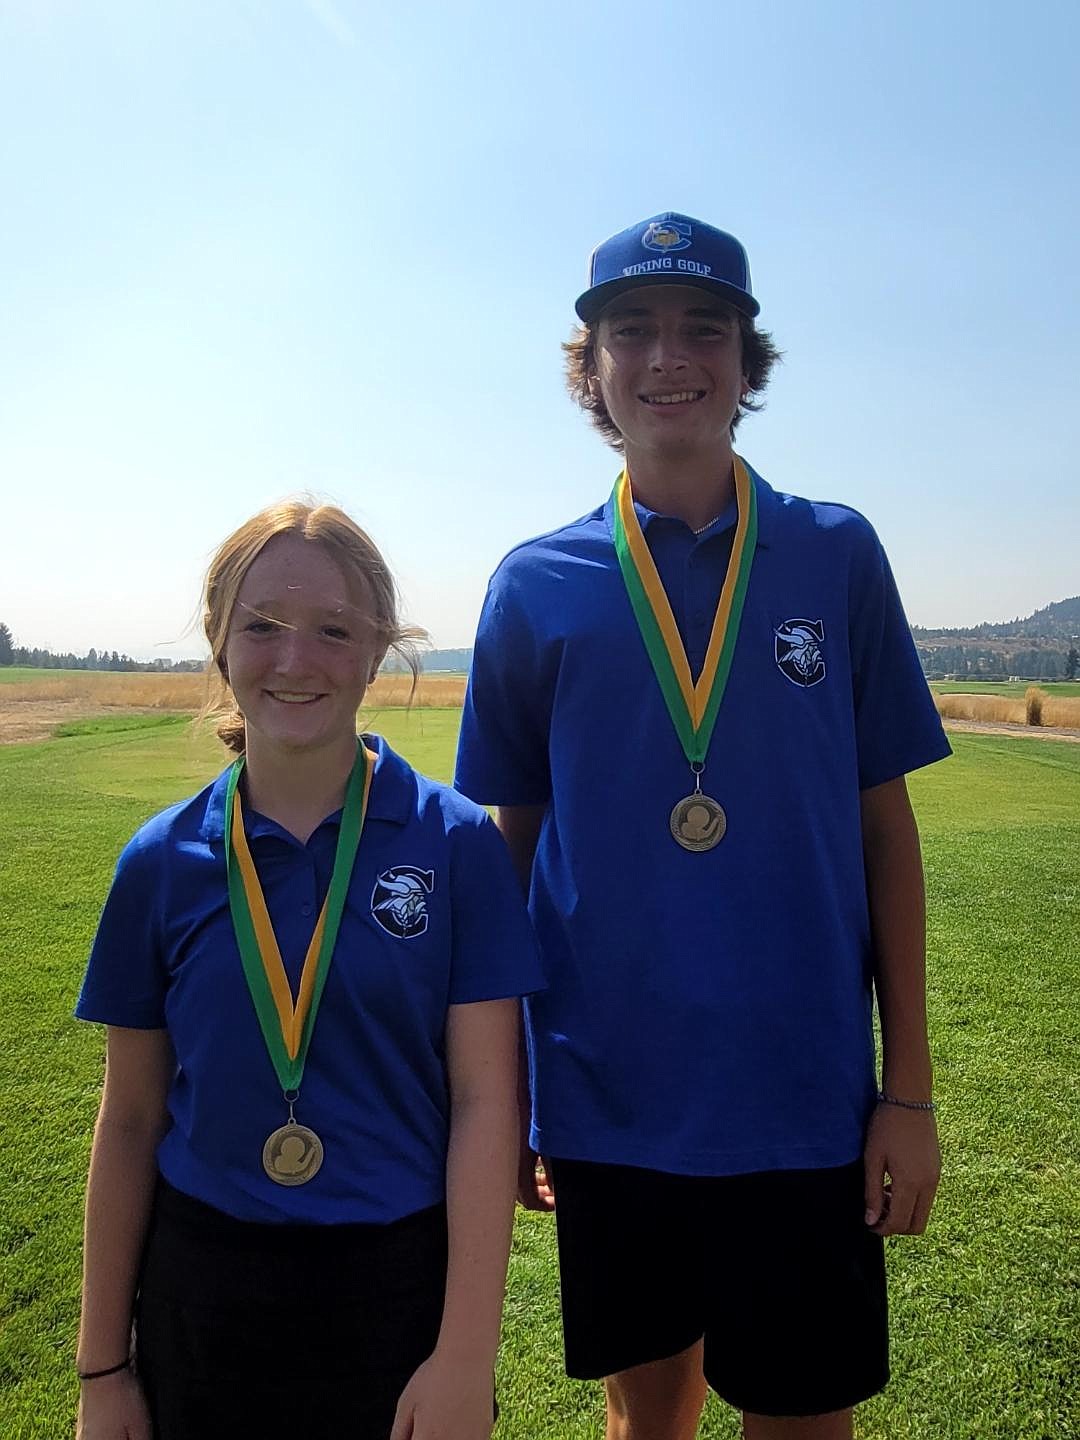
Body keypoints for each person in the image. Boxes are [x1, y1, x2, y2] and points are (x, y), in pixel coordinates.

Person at [454, 212, 950, 1440]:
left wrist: (911, 1090)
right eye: (633, 331)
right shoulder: (534, 583)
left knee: (802, 1419)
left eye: (703, 329)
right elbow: (503, 860)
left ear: (747, 361)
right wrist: (511, 1097)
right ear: (592, 368)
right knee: (649, 1419)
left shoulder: (836, 554)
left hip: (803, 1097)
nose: (669, 357)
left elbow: (886, 832)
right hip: (608, 1098)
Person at [75, 500, 543, 1440]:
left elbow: (487, 1104)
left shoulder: (456, 846)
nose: (295, 661)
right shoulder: (159, 863)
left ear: (377, 651)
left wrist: (465, 1358)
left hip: (396, 1292)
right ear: (218, 639)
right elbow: (130, 1120)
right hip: (203, 1291)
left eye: (333, 630)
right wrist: (102, 1371)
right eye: (262, 627)